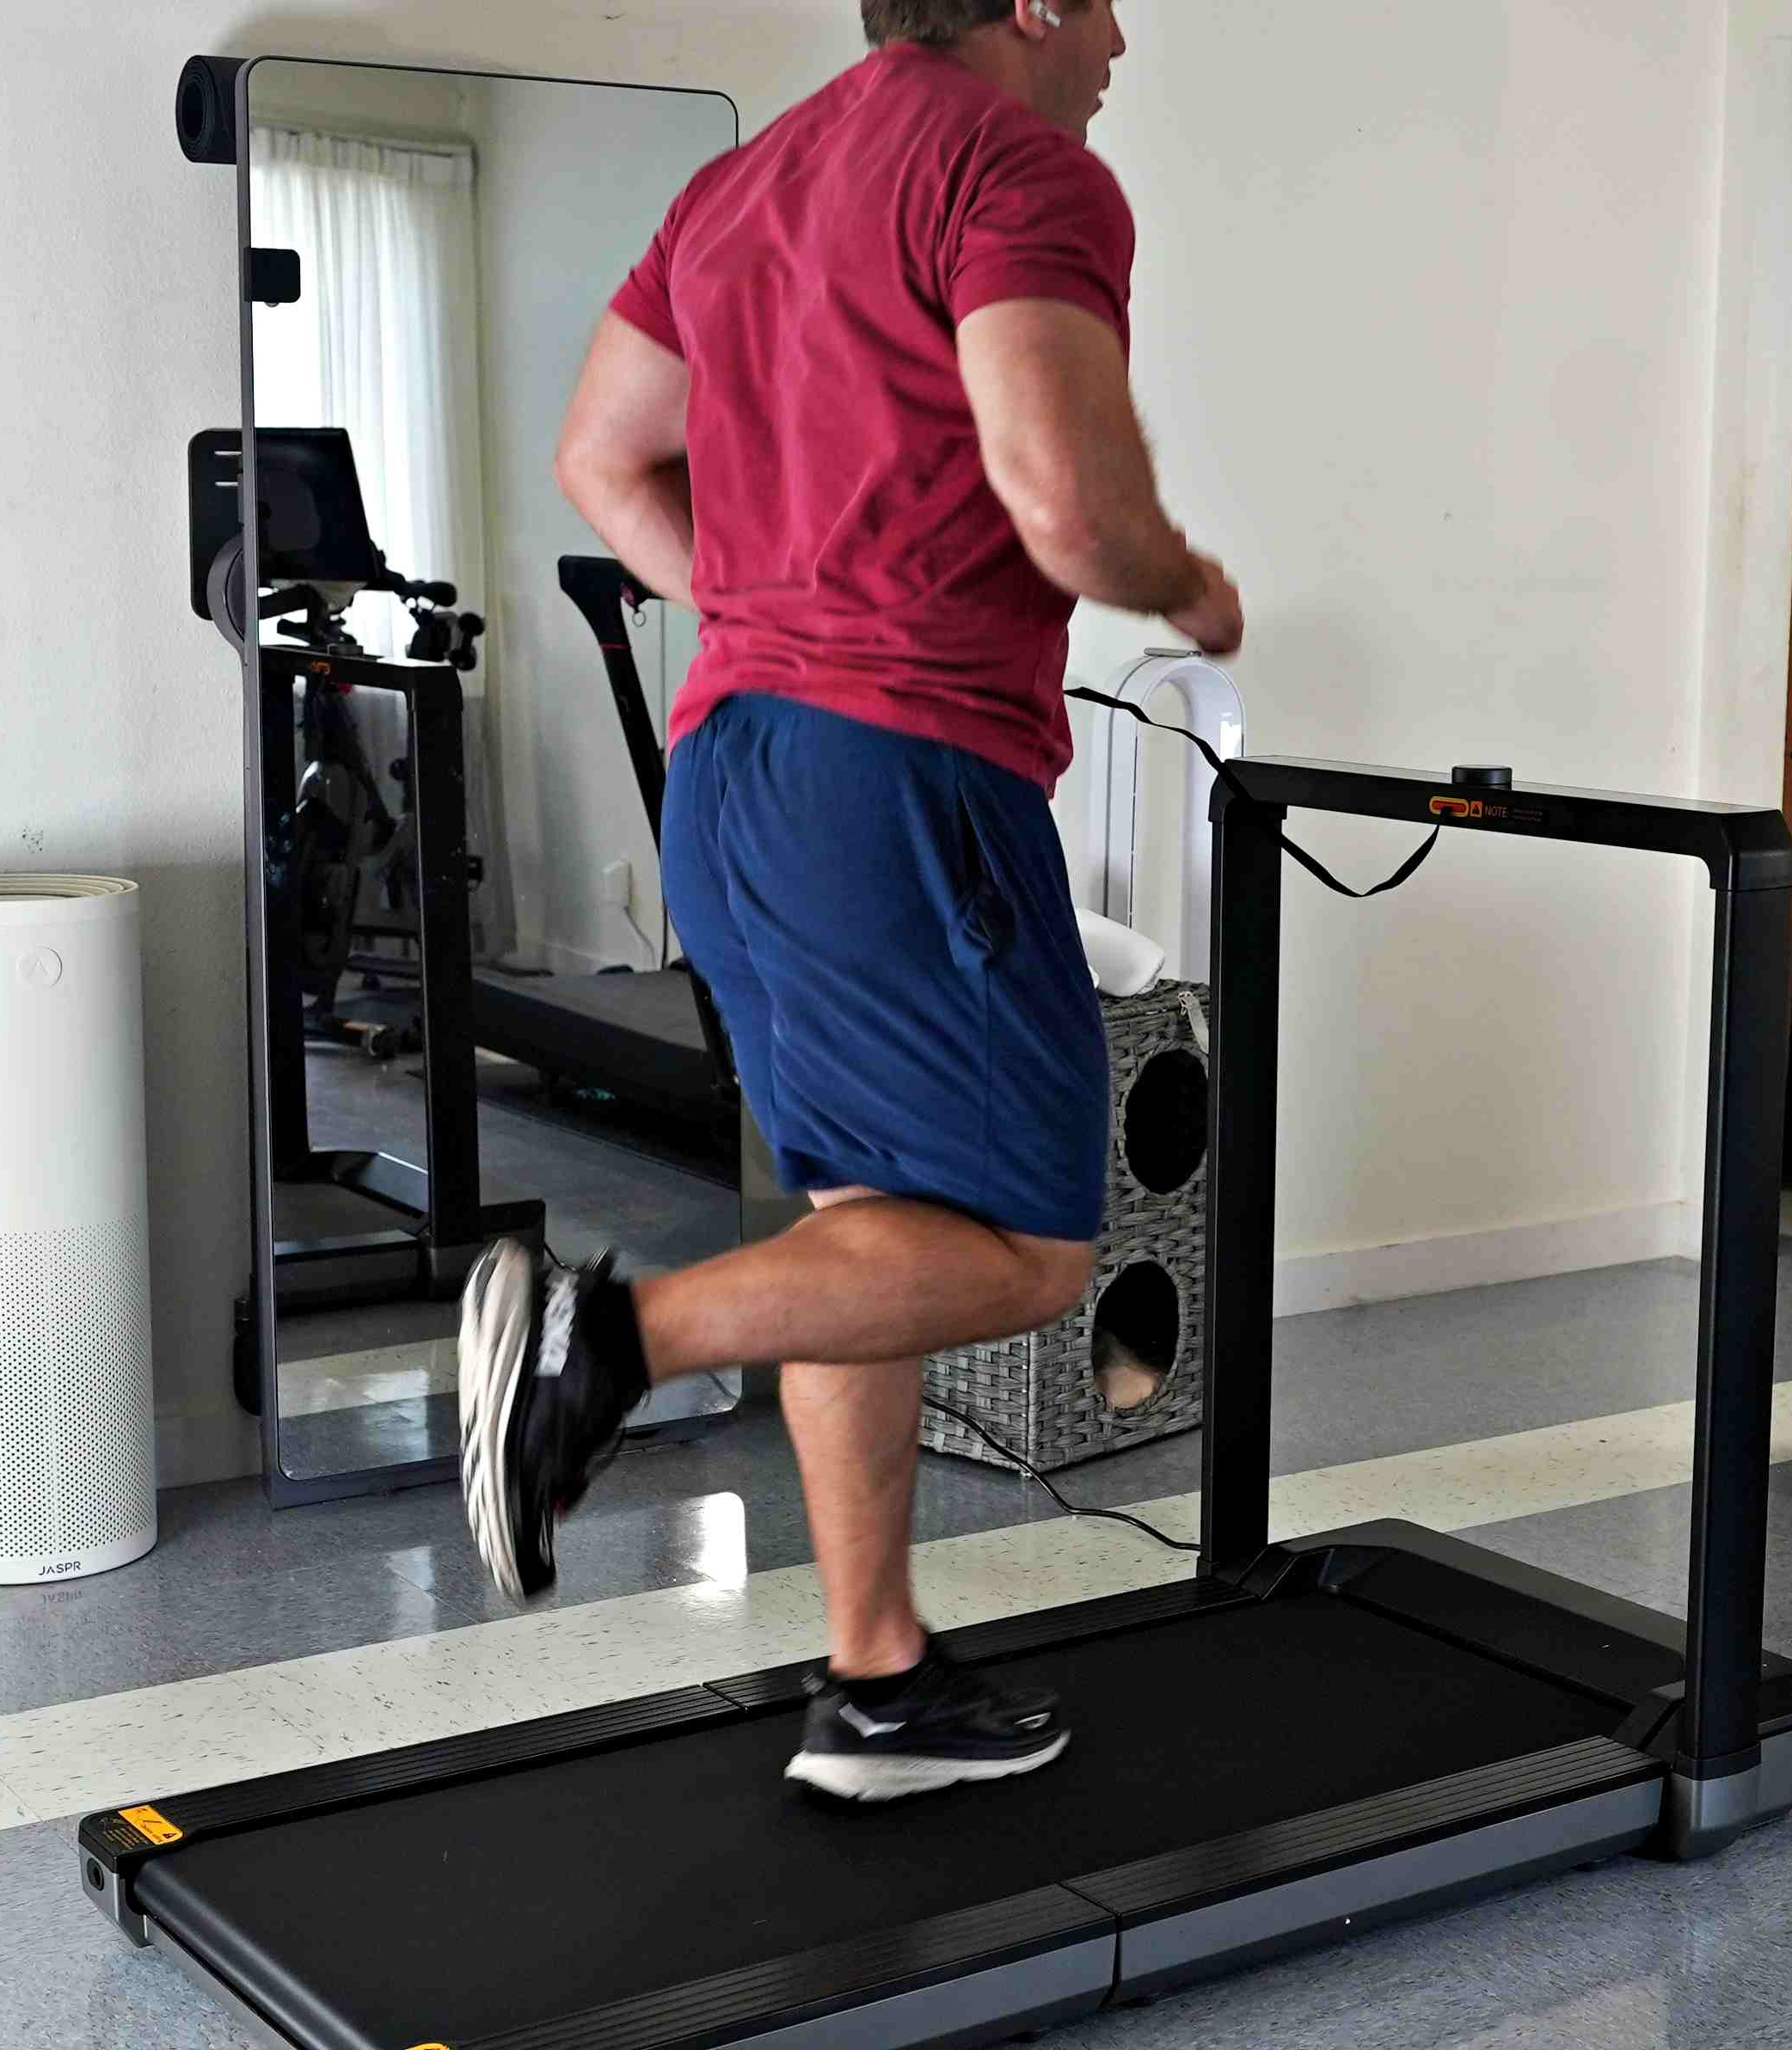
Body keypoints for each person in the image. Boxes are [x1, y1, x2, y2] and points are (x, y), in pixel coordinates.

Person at [458, 0, 1242, 1804]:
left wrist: (756, 629)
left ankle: (875, 1673)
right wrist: (1186, 590)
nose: (1120, 34)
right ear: (1032, 1)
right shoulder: (1018, 167)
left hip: (737, 772)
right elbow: (1063, 504)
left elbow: (601, 456)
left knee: (865, 1230)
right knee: (1032, 1246)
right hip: (902, 778)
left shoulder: (742, 184)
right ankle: (605, 1339)